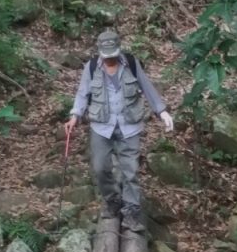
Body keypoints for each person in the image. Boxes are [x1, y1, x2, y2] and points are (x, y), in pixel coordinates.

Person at [65, 29, 173, 232]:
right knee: (100, 168)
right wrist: (74, 117)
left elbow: (147, 87)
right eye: (106, 57)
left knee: (130, 171)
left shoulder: (131, 64)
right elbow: (82, 94)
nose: (110, 59)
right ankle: (112, 200)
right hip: (101, 126)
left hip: (128, 125)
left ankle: (131, 212)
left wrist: (162, 111)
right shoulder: (91, 68)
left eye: (113, 55)